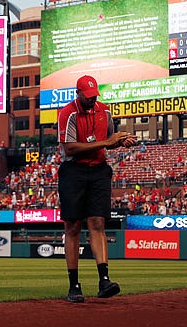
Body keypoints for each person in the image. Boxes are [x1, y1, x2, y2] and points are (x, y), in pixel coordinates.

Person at [57, 75, 137, 303]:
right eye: (88, 96)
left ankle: (104, 280)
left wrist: (122, 141)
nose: (93, 100)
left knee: (97, 222)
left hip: (98, 170)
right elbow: (70, 148)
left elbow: (110, 138)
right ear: (78, 93)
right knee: (72, 226)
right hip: (73, 170)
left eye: (95, 96)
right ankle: (74, 286)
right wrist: (106, 143)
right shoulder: (67, 113)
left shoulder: (105, 111)